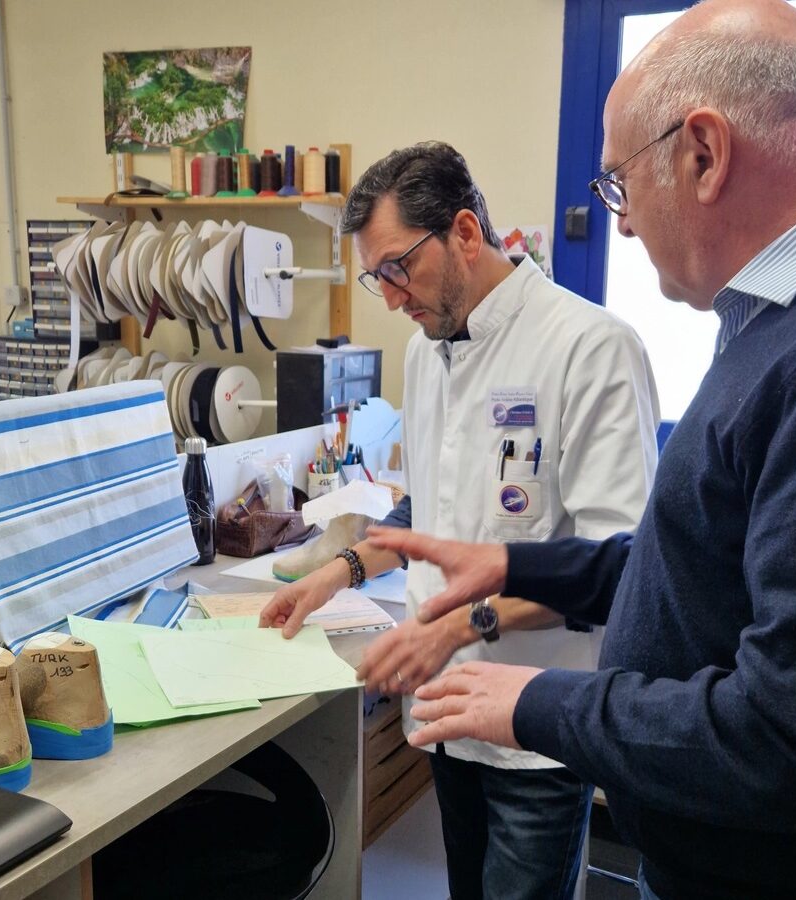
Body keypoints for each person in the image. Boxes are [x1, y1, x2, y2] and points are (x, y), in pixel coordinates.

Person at [365, 2, 796, 899]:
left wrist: (537, 700)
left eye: (619, 186)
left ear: (703, 154)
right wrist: (515, 562)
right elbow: (702, 565)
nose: (619, 225)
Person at [258, 141, 660, 900]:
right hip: (444, 709)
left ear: (466, 234)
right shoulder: (426, 351)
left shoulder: (590, 348)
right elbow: (427, 508)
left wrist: (455, 625)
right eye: (376, 276)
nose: (389, 296)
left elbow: (622, 566)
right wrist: (334, 575)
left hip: (538, 721)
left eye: (397, 268)